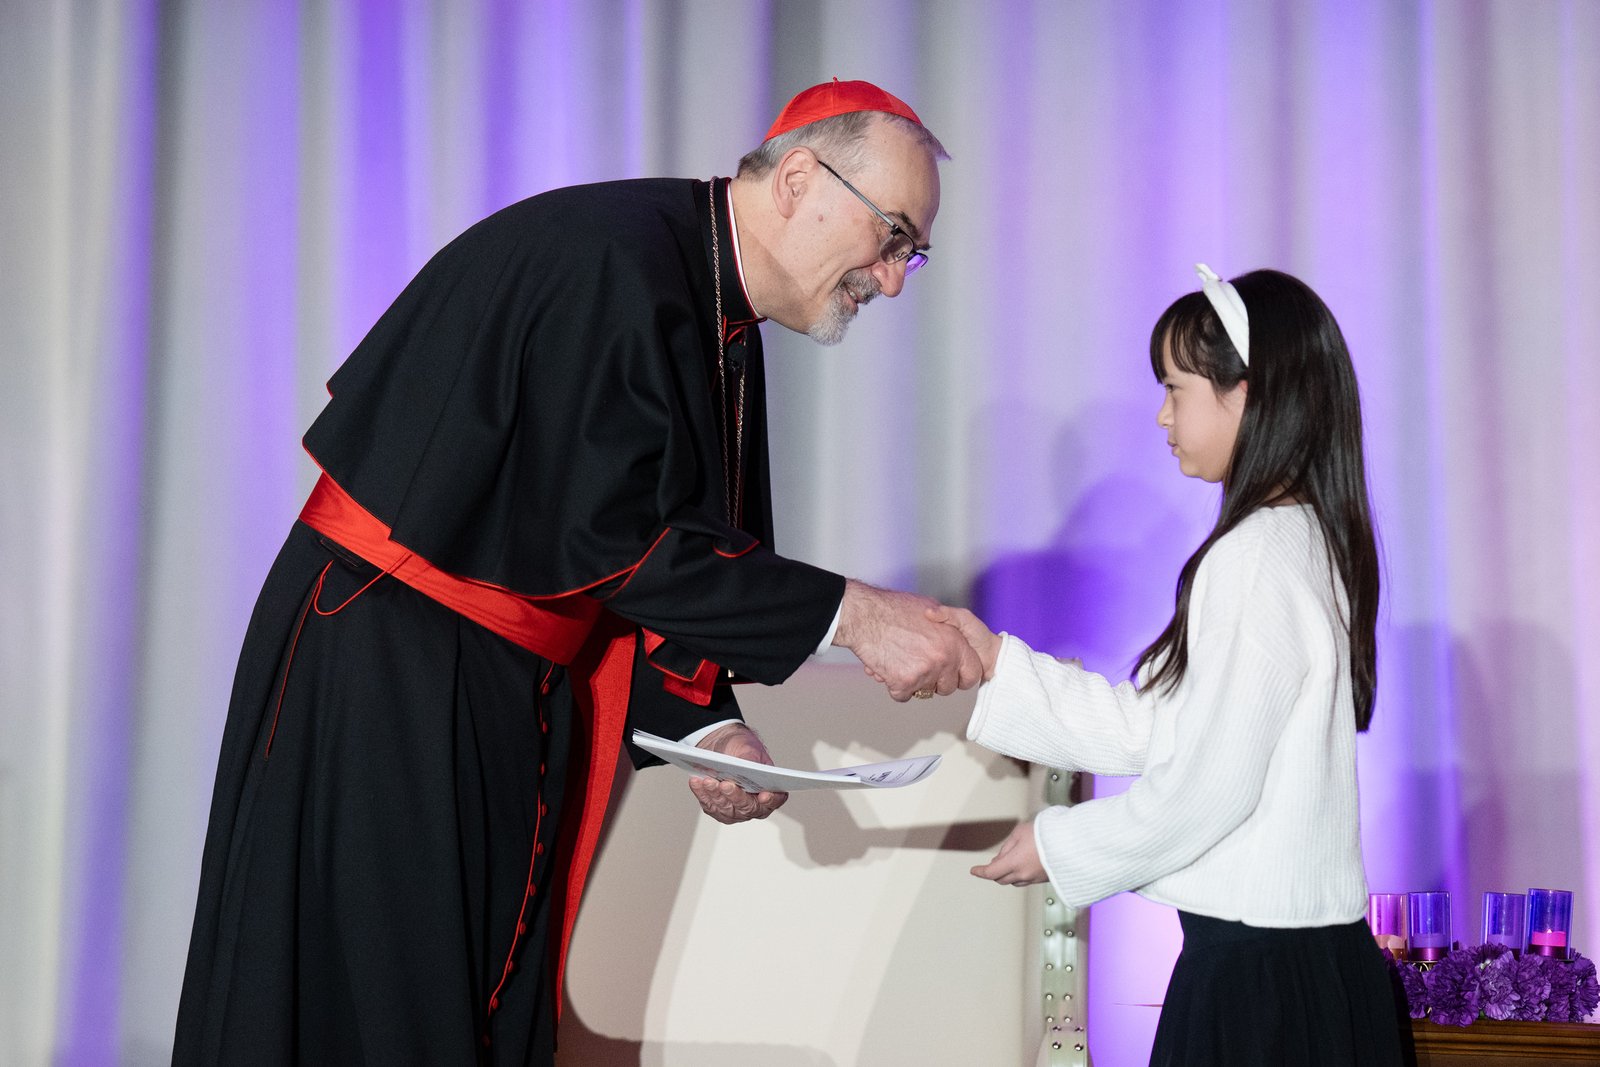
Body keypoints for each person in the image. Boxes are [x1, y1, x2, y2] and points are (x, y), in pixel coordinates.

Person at [173, 79, 981, 1065]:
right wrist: (856, 614)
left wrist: (698, 719)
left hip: (486, 677)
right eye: (892, 237)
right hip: (389, 660)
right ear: (802, 179)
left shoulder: (708, 295)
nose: (893, 279)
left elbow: (654, 529)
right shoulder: (617, 265)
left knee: (464, 992)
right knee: (380, 997)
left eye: (913, 254)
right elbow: (606, 537)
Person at [937, 266, 1405, 1065]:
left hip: (1259, 990)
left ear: (1249, 394)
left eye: (1176, 387)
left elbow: (1208, 788)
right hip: (1313, 972)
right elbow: (1159, 726)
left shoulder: (1255, 555)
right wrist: (997, 665)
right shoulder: (1305, 541)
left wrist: (1061, 844)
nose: (1162, 415)